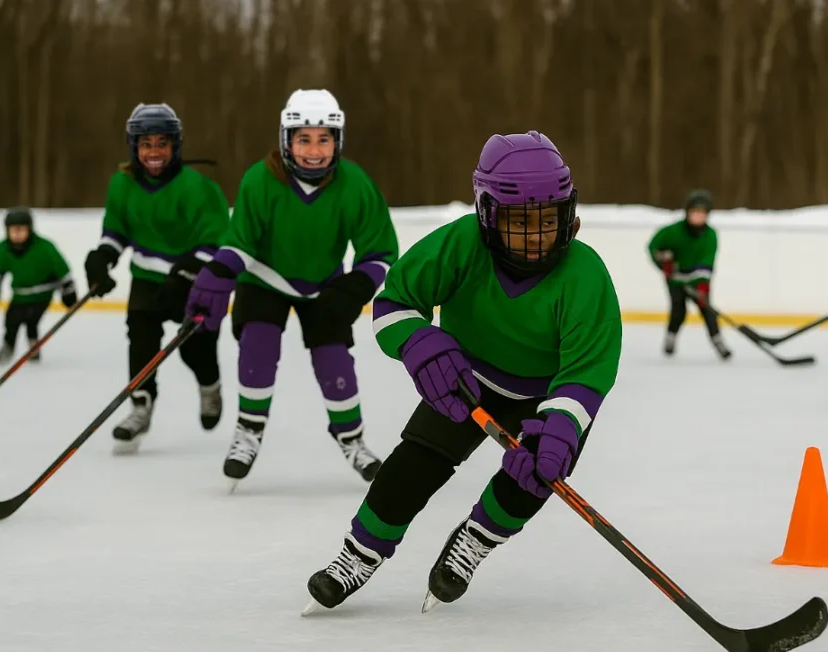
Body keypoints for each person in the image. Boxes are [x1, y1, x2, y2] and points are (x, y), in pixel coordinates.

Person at [300, 130, 622, 615]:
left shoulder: (586, 274)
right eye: (518, 221)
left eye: (547, 220)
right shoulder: (459, 243)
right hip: (462, 382)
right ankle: (358, 555)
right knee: (409, 470)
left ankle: (474, 541)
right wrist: (419, 343)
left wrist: (561, 425)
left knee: (532, 480)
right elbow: (393, 303)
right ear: (488, 214)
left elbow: (588, 368)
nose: (535, 237)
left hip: (545, 401)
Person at [186, 89, 399, 486]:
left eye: (324, 139)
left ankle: (351, 438)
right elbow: (242, 240)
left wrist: (355, 287)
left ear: (338, 141)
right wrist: (218, 272)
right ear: (286, 140)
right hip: (264, 279)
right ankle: (249, 431)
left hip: (326, 286)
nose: (314, 150)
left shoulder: (354, 184)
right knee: (258, 346)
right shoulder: (260, 179)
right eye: (304, 139)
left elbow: (381, 250)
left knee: (334, 360)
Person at [83, 103, 230, 454]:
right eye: (145, 143)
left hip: (193, 280)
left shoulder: (198, 188)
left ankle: (209, 385)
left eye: (161, 144)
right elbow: (116, 231)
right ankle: (140, 405)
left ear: (175, 146)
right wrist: (102, 258)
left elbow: (218, 240)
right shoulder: (122, 183)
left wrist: (188, 271)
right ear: (133, 146)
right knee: (141, 335)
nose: (153, 152)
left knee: (196, 349)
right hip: (146, 275)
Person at [0, 206, 77, 364]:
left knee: (31, 319)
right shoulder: (3, 248)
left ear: (30, 229)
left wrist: (68, 292)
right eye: (14, 230)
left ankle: (33, 346)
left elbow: (63, 271)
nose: (17, 234)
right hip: (20, 294)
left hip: (43, 293)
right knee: (11, 320)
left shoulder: (45, 247)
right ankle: (8, 348)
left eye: (22, 230)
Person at [647, 189, 731, 360]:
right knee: (679, 311)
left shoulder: (710, 235)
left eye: (702, 213)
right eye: (695, 212)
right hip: (676, 281)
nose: (698, 216)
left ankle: (718, 342)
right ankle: (670, 339)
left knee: (708, 311)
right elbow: (653, 247)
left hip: (697, 281)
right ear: (687, 212)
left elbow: (707, 261)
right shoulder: (672, 232)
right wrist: (664, 264)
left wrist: (702, 285)